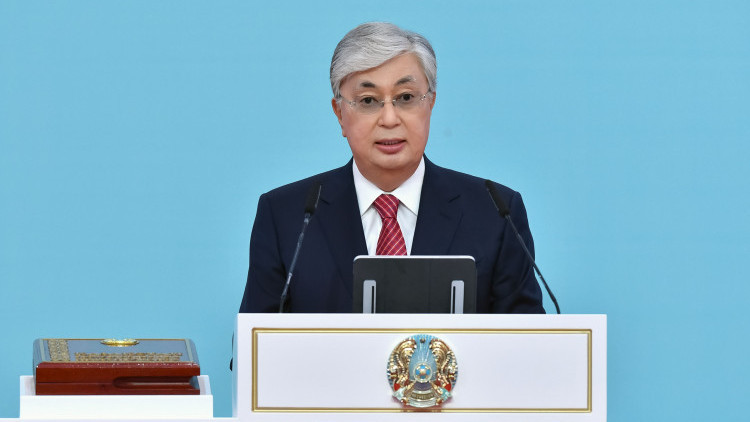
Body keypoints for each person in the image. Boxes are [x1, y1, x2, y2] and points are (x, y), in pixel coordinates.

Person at [239, 22, 545, 313]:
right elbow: (253, 342)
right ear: (339, 113)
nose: (389, 119)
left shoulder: (496, 212)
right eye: (368, 101)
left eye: (406, 97)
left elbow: (530, 341)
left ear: (430, 103)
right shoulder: (287, 216)